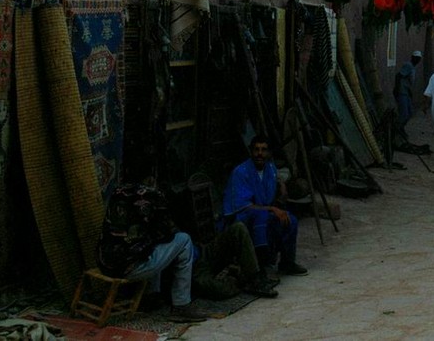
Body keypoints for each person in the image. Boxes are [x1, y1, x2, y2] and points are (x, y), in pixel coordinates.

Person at [97, 183, 210, 322]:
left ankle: (152, 295)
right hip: (130, 267)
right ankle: (181, 305)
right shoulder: (152, 196)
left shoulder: (118, 192)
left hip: (105, 261)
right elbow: (167, 233)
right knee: (183, 240)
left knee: (153, 242)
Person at [223, 136, 308, 277]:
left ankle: (287, 263)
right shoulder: (241, 172)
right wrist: (272, 209)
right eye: (256, 150)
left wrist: (282, 190)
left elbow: (270, 196)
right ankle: (262, 265)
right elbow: (242, 206)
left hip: (263, 211)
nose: (260, 154)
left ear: (269, 153)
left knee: (289, 219)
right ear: (251, 151)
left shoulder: (270, 169)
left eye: (264, 150)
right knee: (262, 218)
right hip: (242, 216)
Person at [192, 222, 279, 300]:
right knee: (219, 290)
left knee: (238, 228)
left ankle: (253, 278)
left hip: (202, 251)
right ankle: (241, 280)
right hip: (194, 270)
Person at [393, 50, 423, 141]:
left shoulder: (413, 67)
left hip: (406, 92)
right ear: (412, 58)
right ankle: (397, 130)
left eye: (418, 58)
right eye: (416, 58)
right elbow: (398, 76)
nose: (417, 60)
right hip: (402, 92)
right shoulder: (408, 66)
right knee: (404, 113)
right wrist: (397, 89)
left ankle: (400, 128)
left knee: (410, 113)